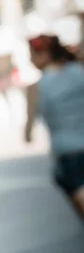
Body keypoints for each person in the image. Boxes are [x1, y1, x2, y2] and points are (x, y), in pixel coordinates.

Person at [25, 34, 84, 220]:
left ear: (44, 55)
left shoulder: (36, 88)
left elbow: (28, 132)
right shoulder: (79, 70)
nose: (30, 60)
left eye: (33, 54)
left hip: (68, 156)